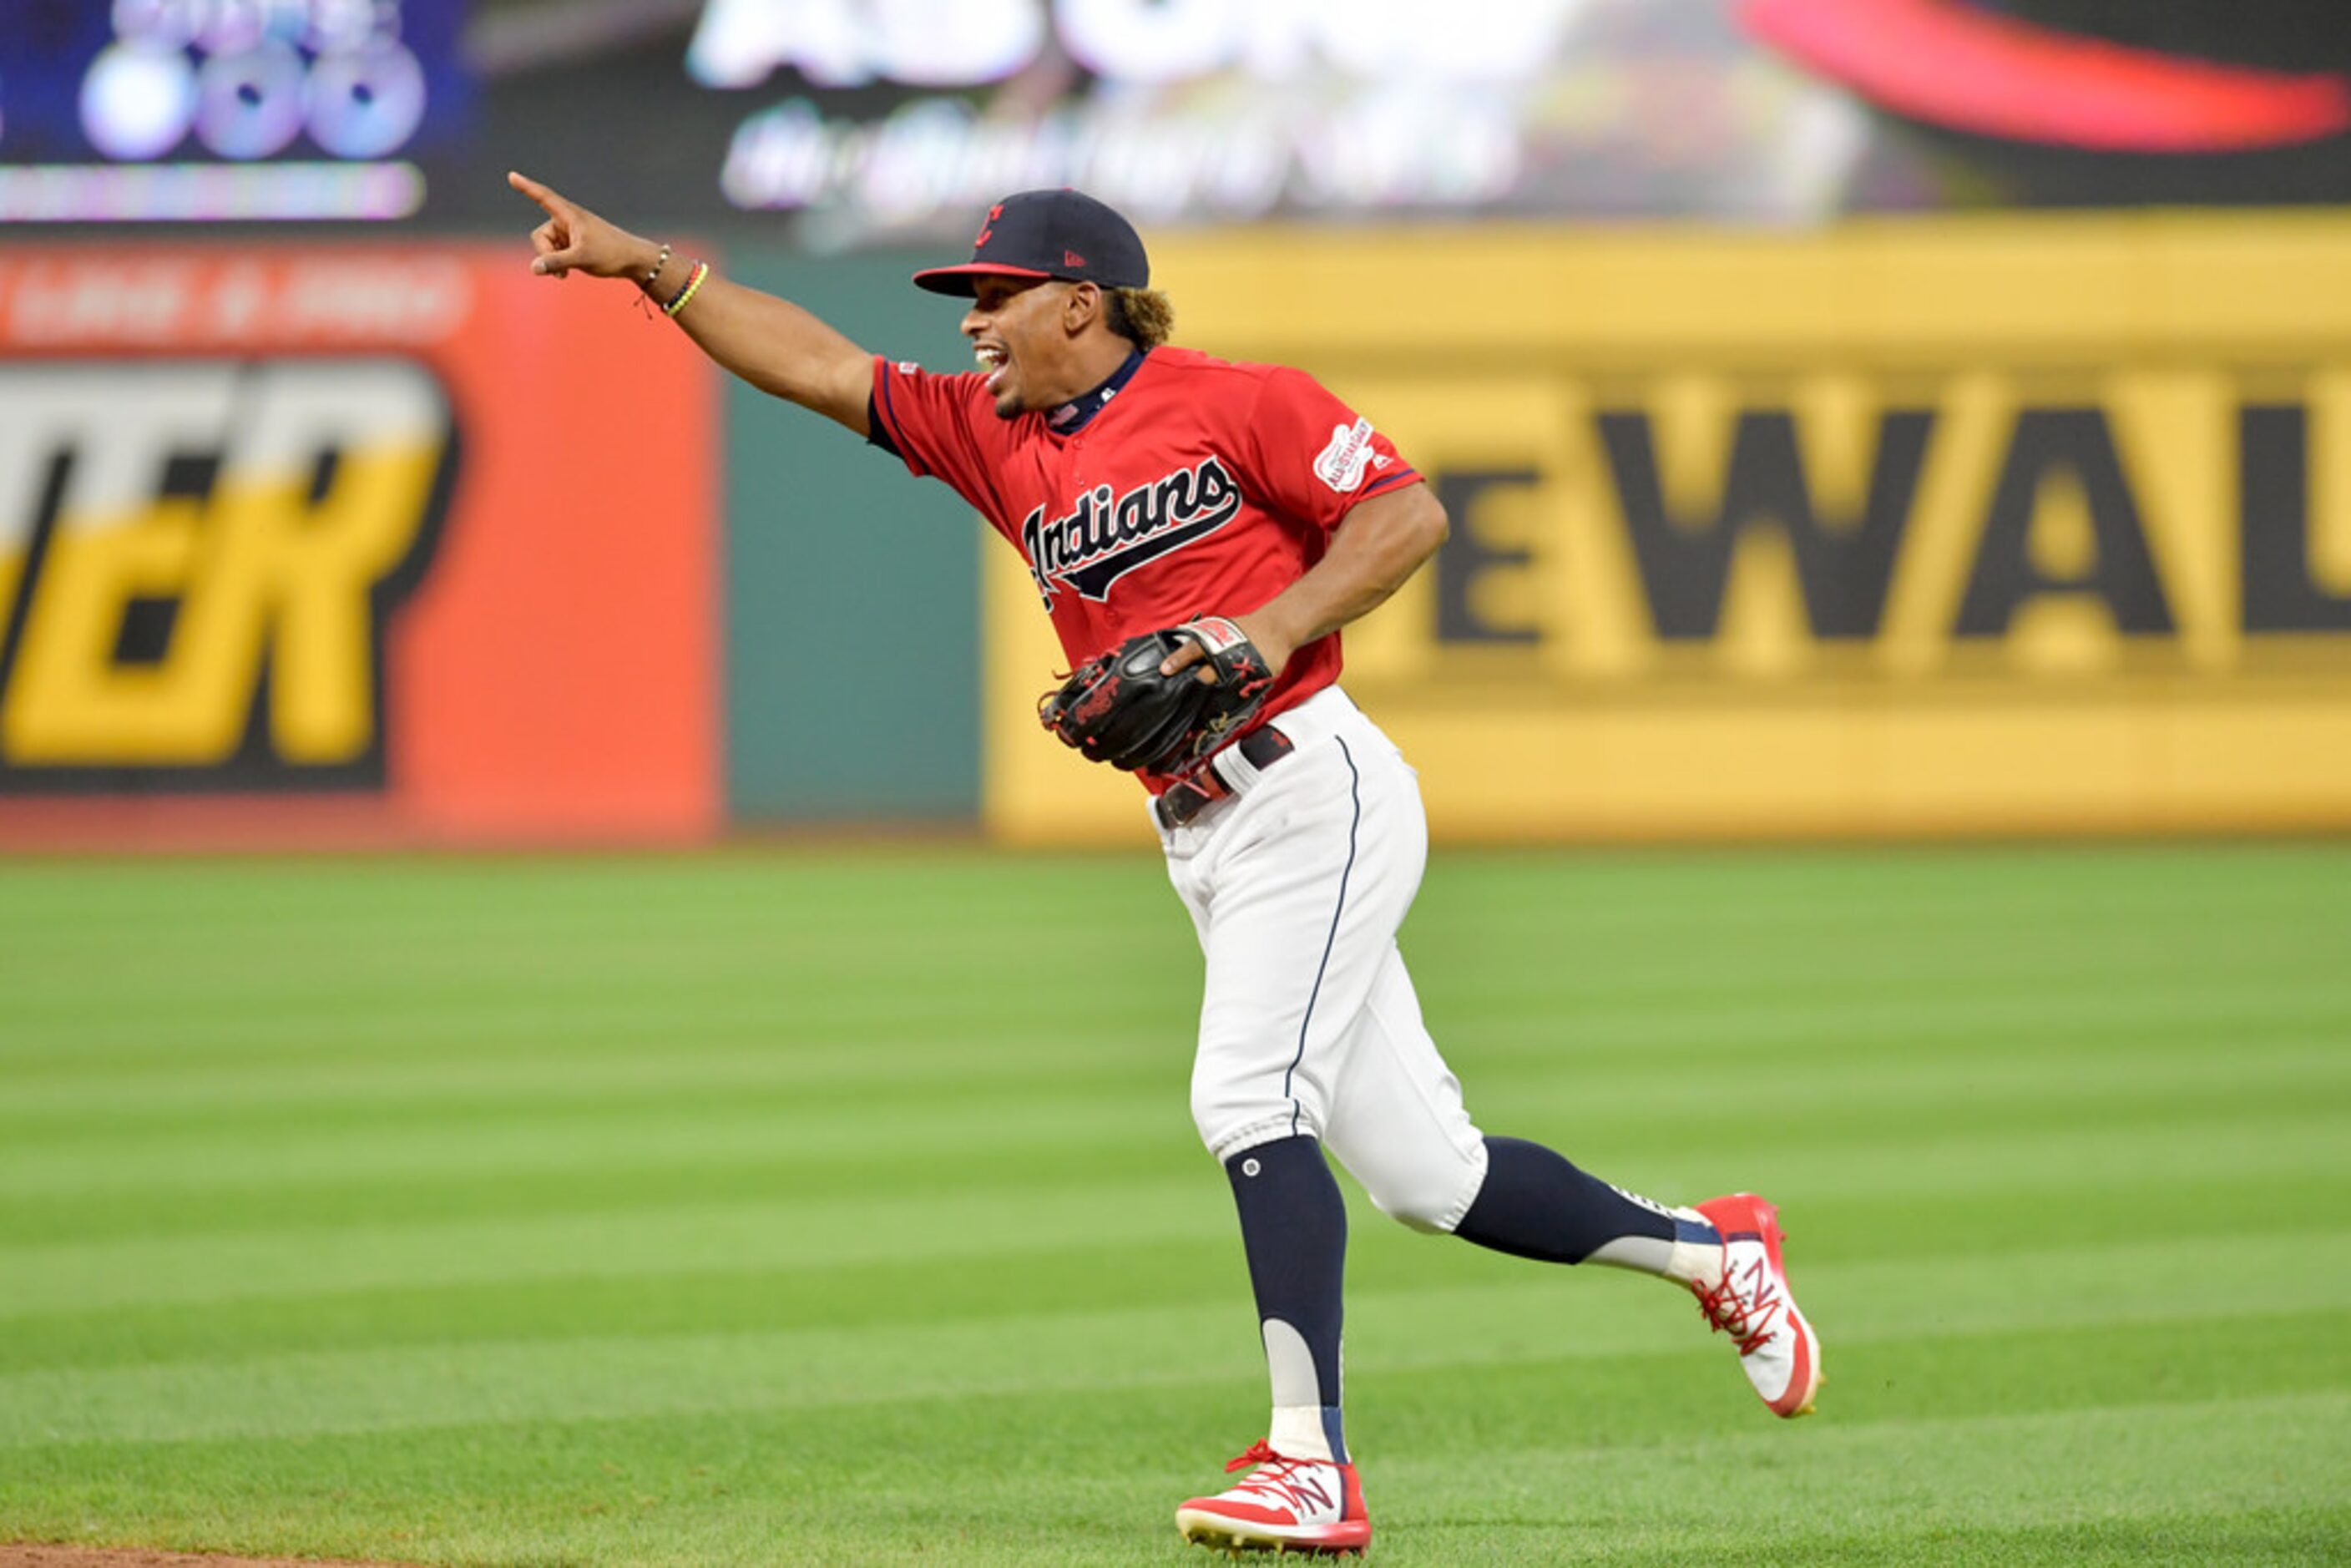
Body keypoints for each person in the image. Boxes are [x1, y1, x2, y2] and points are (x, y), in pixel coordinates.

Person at [508, 173, 1822, 1557]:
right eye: (969, 303)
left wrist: (1262, 629)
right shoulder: (989, 434)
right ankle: (1716, 1252)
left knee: (1249, 1094)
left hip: (1313, 779)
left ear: (1082, 300)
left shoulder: (1241, 400)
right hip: (1199, 828)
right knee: (1434, 1177)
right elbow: (824, 366)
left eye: (996, 298)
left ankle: (1309, 1463)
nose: (975, 325)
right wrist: (645, 265)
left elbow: (1406, 518)